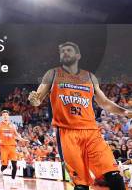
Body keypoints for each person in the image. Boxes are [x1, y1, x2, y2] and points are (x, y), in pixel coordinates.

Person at [28, 41, 131, 190]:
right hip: (68, 133)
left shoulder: (89, 77)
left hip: (91, 132)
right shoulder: (53, 74)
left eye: (68, 50)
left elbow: (105, 102)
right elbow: (37, 99)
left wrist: (124, 112)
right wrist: (34, 100)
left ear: (78, 55)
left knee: (115, 176)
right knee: (81, 184)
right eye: (62, 51)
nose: (65, 53)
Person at [0, 110, 27, 182]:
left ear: (8, 116)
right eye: (4, 115)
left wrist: (22, 139)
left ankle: (13, 180)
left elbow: (16, 135)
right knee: (5, 165)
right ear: (2, 116)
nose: (5, 116)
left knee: (14, 165)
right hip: (4, 147)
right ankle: (1, 172)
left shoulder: (13, 125)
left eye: (6, 115)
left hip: (12, 146)